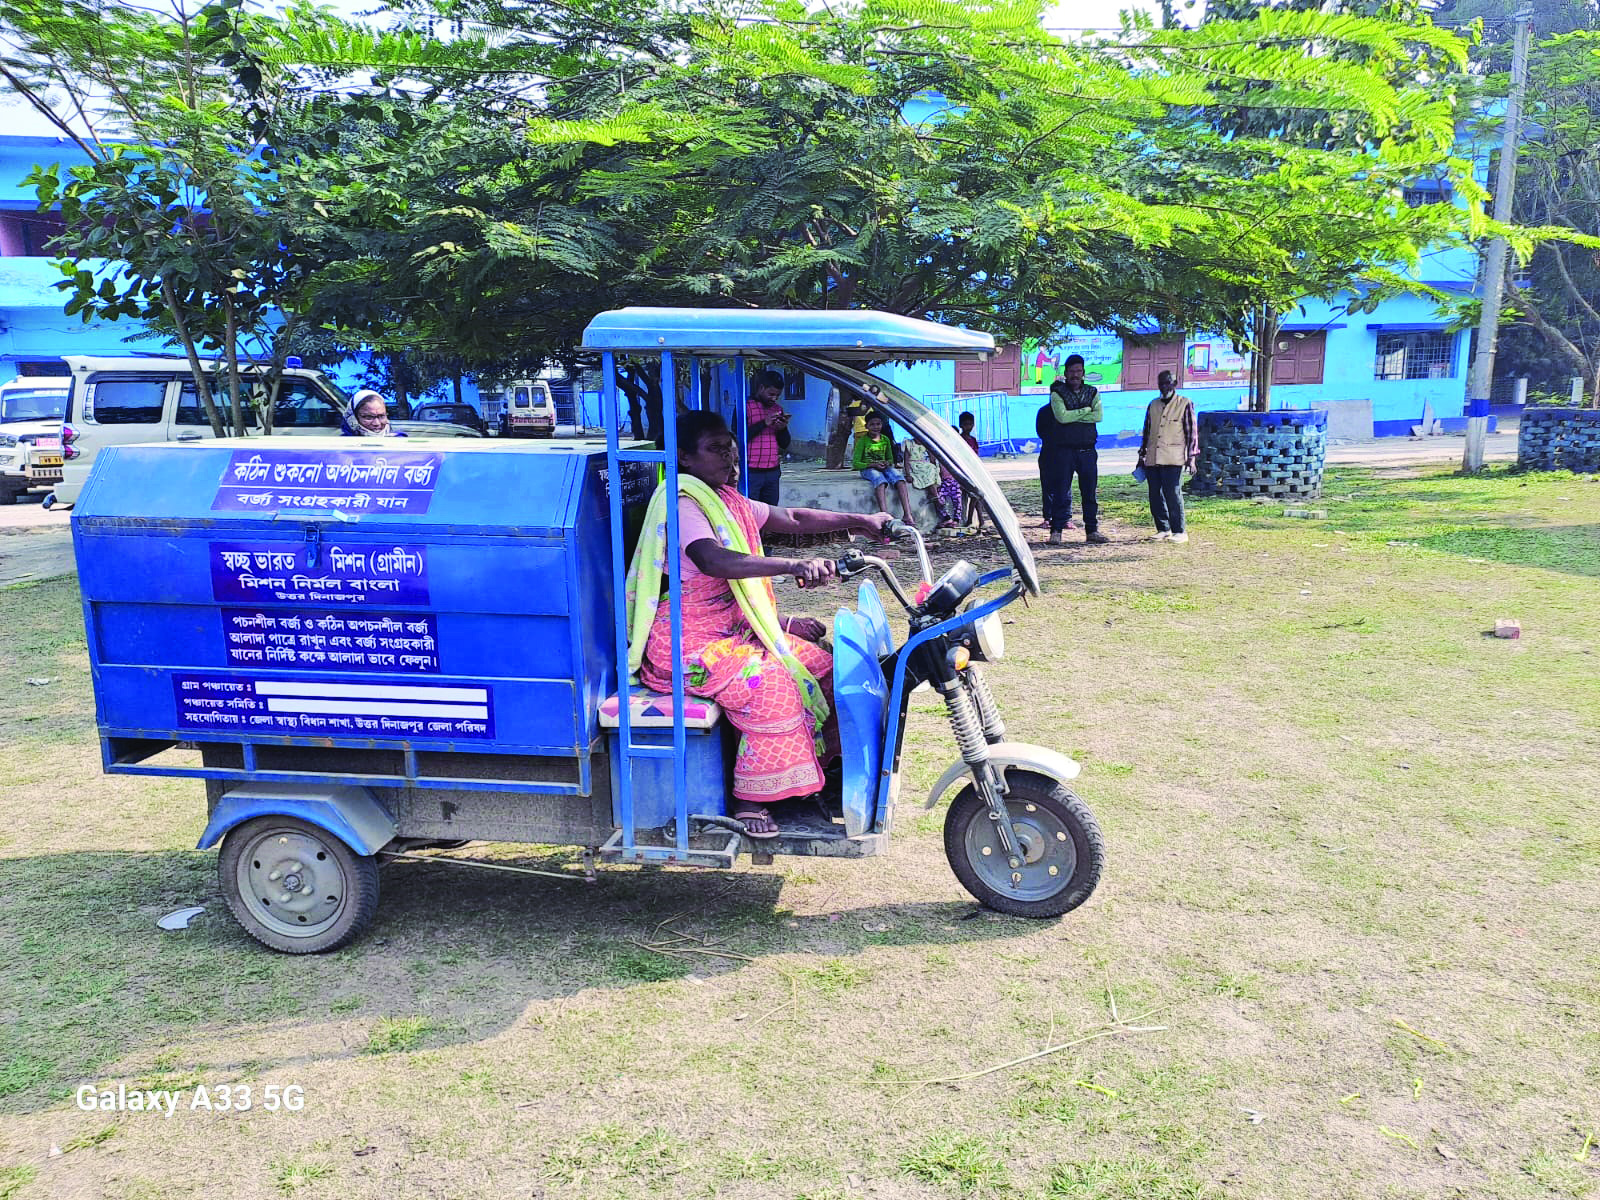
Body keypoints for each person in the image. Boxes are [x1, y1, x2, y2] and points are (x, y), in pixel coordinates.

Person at [626, 411, 893, 839]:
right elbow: (714, 560)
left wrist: (861, 521)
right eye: (715, 448)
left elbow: (793, 520)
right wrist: (793, 565)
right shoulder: (684, 505)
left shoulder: (728, 500)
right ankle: (751, 797)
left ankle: (809, 776)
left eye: (730, 446)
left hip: (732, 633)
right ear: (684, 457)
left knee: (824, 666)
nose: (730, 456)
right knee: (769, 683)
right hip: (687, 645)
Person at [1041, 355, 1107, 545]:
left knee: (1089, 492)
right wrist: (1085, 410)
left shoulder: (1093, 392)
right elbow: (1062, 417)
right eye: (1071, 372)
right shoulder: (1058, 394)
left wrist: (1075, 414)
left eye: (1078, 371)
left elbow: (1099, 416)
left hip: (1087, 450)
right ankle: (1056, 531)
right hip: (1064, 451)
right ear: (1065, 373)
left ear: (1083, 373)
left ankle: (1092, 531)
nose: (1075, 375)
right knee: (1061, 492)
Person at [1137, 370, 1199, 543]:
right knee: (1155, 494)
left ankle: (1179, 530)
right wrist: (1142, 455)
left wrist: (1191, 457)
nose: (1164, 386)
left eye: (1167, 382)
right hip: (1153, 457)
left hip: (1174, 457)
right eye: (1161, 383)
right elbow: (1147, 432)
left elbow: (1191, 433)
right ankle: (1163, 528)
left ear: (1174, 383)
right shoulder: (1153, 405)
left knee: (1172, 493)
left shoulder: (1184, 403)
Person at [853, 412, 916, 530]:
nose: (876, 427)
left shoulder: (885, 439)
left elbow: (890, 458)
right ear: (866, 426)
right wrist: (872, 464)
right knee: (880, 480)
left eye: (878, 424)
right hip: (868, 468)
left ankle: (908, 515)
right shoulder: (863, 441)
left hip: (883, 467)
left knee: (900, 480)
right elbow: (856, 463)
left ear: (882, 425)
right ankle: (885, 515)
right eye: (872, 424)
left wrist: (887, 463)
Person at [744, 368, 789, 505]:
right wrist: (764, 423)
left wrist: (782, 429)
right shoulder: (745, 406)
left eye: (777, 395)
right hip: (751, 472)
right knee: (751, 512)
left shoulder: (778, 409)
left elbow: (785, 444)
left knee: (771, 513)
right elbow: (739, 437)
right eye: (771, 394)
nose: (774, 398)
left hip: (772, 472)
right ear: (761, 388)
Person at [901, 436, 953, 527]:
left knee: (931, 469)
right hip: (914, 466)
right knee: (925, 472)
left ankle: (934, 497)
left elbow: (932, 457)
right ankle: (936, 499)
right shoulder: (909, 444)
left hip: (923, 465)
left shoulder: (925, 444)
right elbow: (906, 460)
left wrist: (935, 468)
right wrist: (908, 474)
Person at [1034, 399, 1069, 531]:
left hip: (1065, 453)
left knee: (1065, 486)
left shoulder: (1067, 411)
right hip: (1048, 452)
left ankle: (1065, 518)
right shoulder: (1044, 411)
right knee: (1048, 486)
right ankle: (1048, 518)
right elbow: (1041, 432)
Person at [956, 412, 987, 532]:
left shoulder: (973, 440)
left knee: (977, 495)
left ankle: (978, 520)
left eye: (970, 424)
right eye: (965, 424)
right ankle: (972, 519)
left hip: (974, 471)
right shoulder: (960, 439)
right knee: (975, 495)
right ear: (961, 425)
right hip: (964, 471)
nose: (968, 427)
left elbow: (976, 455)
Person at [341, 390, 408, 438]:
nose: (377, 423)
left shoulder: (401, 444)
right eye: (368, 417)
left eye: (381, 416)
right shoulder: (339, 448)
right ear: (353, 418)